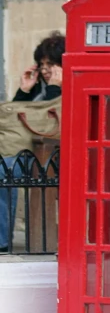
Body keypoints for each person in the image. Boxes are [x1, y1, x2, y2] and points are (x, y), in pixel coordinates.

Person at [0, 32, 65, 251]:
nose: (46, 70)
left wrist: (57, 88)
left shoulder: (68, 89)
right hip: (27, 155)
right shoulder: (39, 89)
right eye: (43, 64)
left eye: (52, 64)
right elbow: (16, 120)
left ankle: (1, 240)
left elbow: (50, 123)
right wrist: (24, 91)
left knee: (3, 171)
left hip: (50, 158)